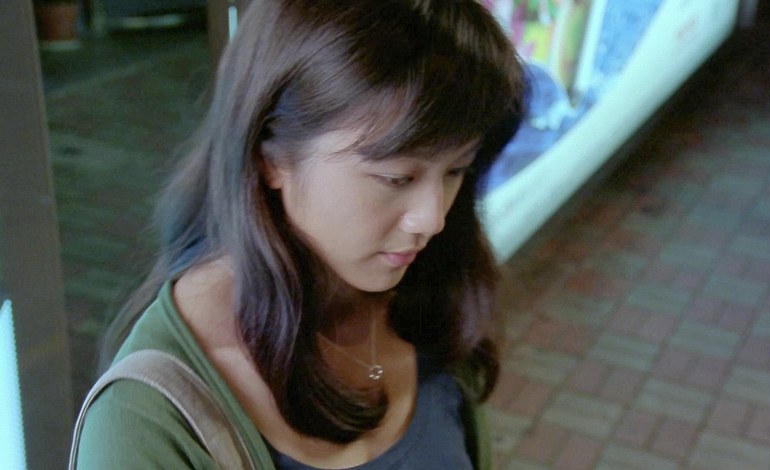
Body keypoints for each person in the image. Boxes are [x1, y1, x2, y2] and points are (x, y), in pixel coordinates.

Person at [74, 0, 524, 468]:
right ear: (270, 158)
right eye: (396, 178)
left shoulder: (428, 298)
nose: (432, 220)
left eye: (456, 170)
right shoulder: (143, 423)